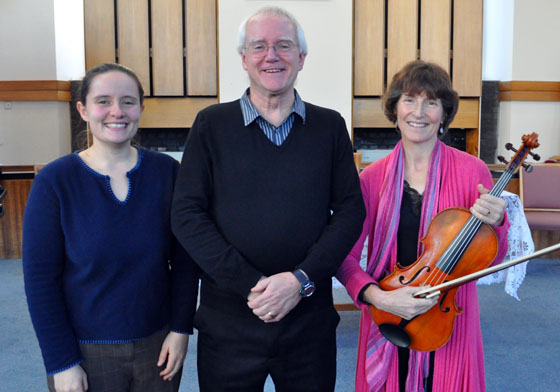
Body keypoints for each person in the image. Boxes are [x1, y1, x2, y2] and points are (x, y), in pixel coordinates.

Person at [171, 6, 365, 392]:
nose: (271, 56)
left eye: (284, 45)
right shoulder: (211, 124)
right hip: (229, 324)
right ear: (243, 58)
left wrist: (299, 281)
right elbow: (187, 215)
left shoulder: (329, 126)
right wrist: (252, 286)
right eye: (259, 46)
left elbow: (349, 211)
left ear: (301, 58)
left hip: (308, 322)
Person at [22, 63, 198, 392]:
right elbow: (39, 281)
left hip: (157, 346)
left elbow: (186, 263)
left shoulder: (167, 173)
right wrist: (61, 362)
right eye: (103, 101)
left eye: (128, 101)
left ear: (141, 109)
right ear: (83, 110)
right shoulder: (55, 181)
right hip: (85, 351)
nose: (117, 111)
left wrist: (180, 329)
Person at [336, 61, 510, 392]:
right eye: (410, 100)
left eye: (431, 102)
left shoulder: (473, 172)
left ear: (444, 114)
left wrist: (498, 222)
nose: (419, 112)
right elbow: (345, 258)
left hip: (448, 316)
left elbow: (492, 258)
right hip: (388, 313)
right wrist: (380, 299)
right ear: (395, 109)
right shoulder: (370, 179)